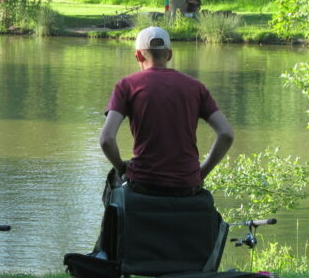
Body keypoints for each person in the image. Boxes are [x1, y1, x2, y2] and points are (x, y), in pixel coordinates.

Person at [99, 26, 233, 198]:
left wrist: (121, 169)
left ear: (138, 55)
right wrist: (200, 173)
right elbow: (226, 134)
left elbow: (106, 139)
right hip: (187, 185)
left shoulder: (127, 86)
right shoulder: (196, 87)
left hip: (143, 184)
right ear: (169, 55)